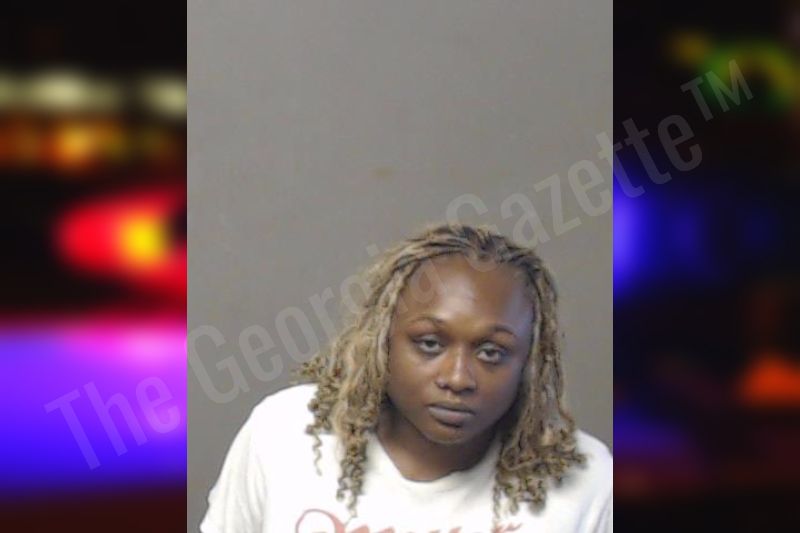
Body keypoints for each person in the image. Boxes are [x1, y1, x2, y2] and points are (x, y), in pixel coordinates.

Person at [200, 223, 612, 532]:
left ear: (530, 362)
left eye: (491, 352)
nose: (457, 378)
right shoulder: (285, 433)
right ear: (382, 341)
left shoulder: (588, 480)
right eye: (429, 344)